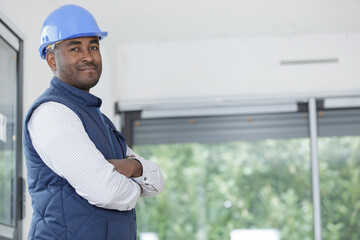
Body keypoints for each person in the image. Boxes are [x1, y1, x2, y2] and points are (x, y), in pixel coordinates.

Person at [23, 4, 165, 240]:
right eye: (75, 48)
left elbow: (157, 181)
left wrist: (134, 167)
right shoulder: (52, 113)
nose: (88, 56)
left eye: (93, 47)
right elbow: (106, 191)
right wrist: (136, 187)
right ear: (51, 61)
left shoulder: (99, 119)